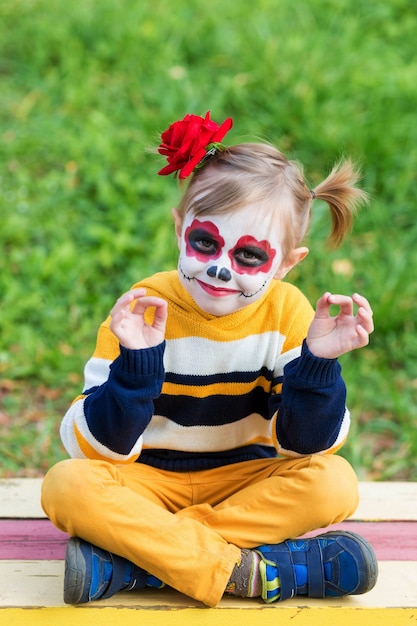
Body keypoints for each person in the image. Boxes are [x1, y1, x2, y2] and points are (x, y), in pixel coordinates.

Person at [41, 111, 378, 607]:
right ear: (180, 229)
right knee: (66, 485)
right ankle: (250, 571)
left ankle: (145, 561)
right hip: (149, 480)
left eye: (248, 257)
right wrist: (135, 364)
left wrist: (318, 364)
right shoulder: (142, 308)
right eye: (205, 242)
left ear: (286, 263)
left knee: (334, 482)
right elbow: (95, 447)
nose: (220, 266)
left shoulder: (288, 313)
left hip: (245, 481)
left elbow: (304, 444)